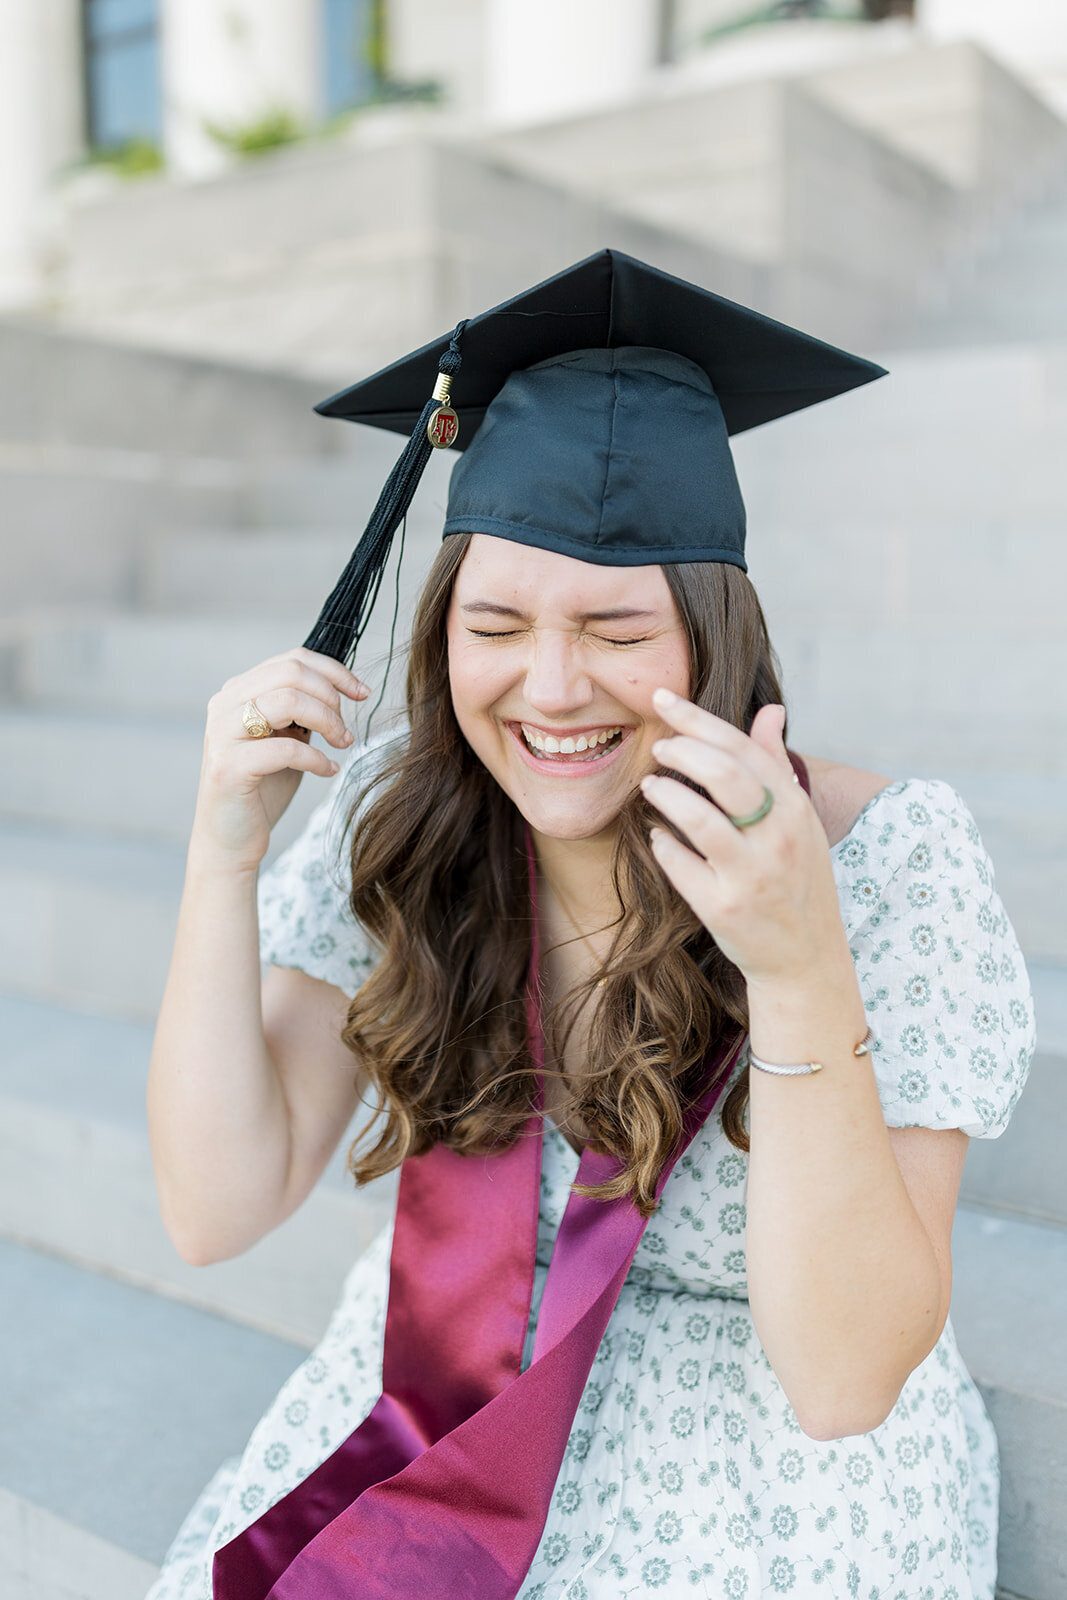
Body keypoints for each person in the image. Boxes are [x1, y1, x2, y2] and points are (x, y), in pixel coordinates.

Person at [144, 252, 1035, 1600]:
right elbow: (215, 1209)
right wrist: (224, 855)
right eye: (495, 623)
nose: (550, 690)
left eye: (617, 628)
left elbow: (846, 1376)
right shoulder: (416, 815)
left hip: (767, 1447)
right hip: (450, 1364)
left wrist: (797, 966)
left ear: (711, 641)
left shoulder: (885, 861)